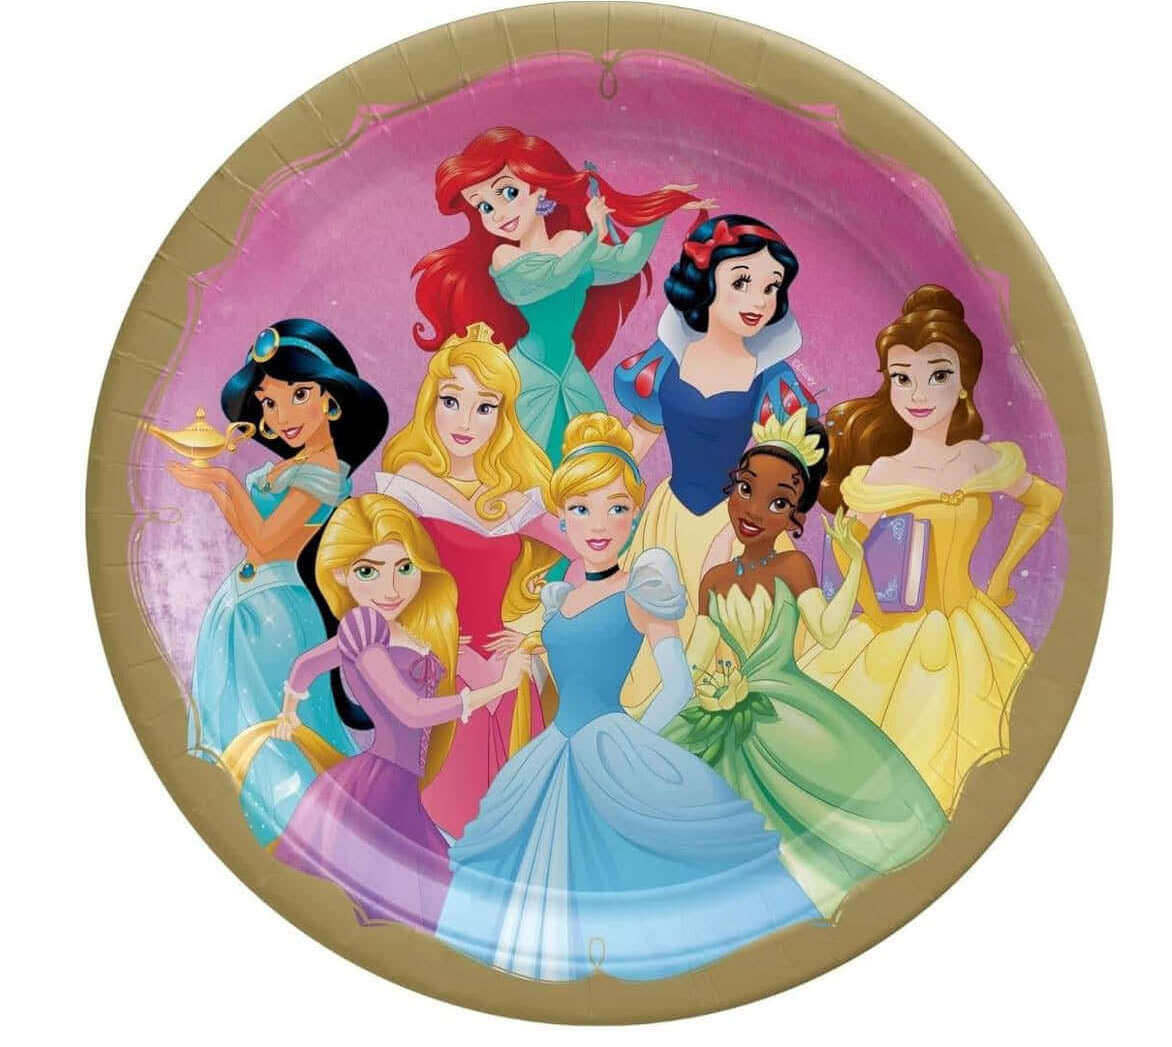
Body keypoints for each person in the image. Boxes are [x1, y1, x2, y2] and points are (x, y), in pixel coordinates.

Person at [435, 414, 821, 981]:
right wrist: (524, 665)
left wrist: (634, 740)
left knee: (626, 866)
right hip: (555, 749)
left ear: (636, 513)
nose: (598, 524)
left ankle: (631, 973)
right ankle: (550, 977)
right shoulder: (558, 598)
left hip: (612, 743)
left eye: (615, 508)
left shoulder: (641, 588)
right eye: (581, 509)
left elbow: (677, 684)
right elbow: (553, 683)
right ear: (561, 517)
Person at [664, 412, 947, 916]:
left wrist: (854, 565)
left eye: (777, 502)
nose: (753, 510)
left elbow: (829, 631)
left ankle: (784, 907)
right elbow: (692, 661)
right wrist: (654, 709)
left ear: (795, 516)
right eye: (745, 490)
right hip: (721, 708)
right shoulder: (715, 580)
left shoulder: (793, 566)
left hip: (787, 707)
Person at [800, 285, 1063, 813]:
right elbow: (849, 551)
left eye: (938, 375)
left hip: (972, 630)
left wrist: (1002, 574)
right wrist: (873, 599)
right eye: (902, 378)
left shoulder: (978, 460)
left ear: (965, 383)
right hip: (895, 633)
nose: (918, 393)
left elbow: (1045, 501)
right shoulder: (881, 473)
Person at [166, 319, 388, 844]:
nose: (280, 416)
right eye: (268, 402)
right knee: (238, 724)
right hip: (244, 603)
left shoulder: (325, 470)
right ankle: (258, 830)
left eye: (298, 395)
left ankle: (301, 835)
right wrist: (220, 485)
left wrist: (221, 482)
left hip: (276, 613)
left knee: (277, 732)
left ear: (332, 400)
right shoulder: (298, 464)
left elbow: (265, 541)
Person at [268, 495, 531, 929]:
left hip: (403, 784)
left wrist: (290, 708)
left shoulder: (393, 628)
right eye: (368, 571)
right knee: (389, 900)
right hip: (380, 787)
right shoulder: (364, 633)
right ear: (341, 574)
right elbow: (411, 712)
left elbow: (306, 666)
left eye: (404, 568)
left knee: (408, 897)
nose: (390, 588)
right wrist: (497, 688)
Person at [614, 213, 818, 714]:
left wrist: (745, 532)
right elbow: (639, 440)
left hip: (741, 522)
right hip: (668, 519)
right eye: (742, 282)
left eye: (771, 287)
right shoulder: (664, 362)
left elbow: (783, 467)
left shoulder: (771, 378)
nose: (759, 301)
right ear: (705, 281)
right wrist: (601, 491)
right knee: (651, 640)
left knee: (730, 650)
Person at [376, 323, 570, 838]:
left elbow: (594, 554)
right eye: (451, 401)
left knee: (515, 813)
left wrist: (538, 633)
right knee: (445, 810)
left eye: (485, 407)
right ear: (430, 403)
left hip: (506, 665)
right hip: (435, 661)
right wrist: (425, 641)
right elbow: (371, 577)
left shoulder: (512, 497)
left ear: (503, 418)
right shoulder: (406, 488)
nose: (465, 421)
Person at [412, 126, 711, 459]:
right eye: (484, 207)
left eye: (508, 193)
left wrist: (662, 206)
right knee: (519, 465)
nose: (499, 213)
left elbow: (628, 262)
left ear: (538, 188)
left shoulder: (571, 241)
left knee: (593, 463)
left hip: (569, 373)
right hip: (526, 377)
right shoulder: (506, 257)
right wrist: (593, 236)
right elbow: (554, 276)